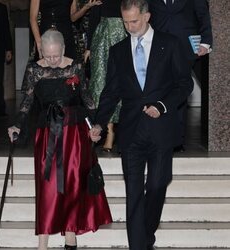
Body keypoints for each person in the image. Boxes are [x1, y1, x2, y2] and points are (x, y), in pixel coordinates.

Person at [89, 0, 193, 249]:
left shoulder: (170, 44)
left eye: (134, 21)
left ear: (147, 16)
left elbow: (184, 84)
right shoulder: (118, 50)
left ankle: (146, 233)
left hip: (161, 128)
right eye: (125, 22)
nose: (129, 26)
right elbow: (111, 93)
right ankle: (138, 245)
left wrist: (162, 105)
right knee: (134, 193)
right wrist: (99, 124)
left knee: (157, 184)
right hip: (131, 130)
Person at [8, 29, 112, 250]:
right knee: (47, 188)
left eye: (56, 55)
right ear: (41, 51)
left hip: (74, 135)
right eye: (47, 55)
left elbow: (87, 98)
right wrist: (17, 124)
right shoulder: (35, 70)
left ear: (63, 49)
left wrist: (95, 125)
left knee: (73, 186)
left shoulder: (75, 67)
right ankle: (42, 244)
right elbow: (26, 102)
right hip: (47, 135)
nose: (52, 61)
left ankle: (70, 239)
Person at [148, 0, 213, 152]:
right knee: (161, 90)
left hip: (186, 47)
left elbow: (203, 14)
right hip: (159, 46)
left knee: (180, 91)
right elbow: (145, 14)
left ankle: (177, 140)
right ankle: (161, 137)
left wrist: (206, 41)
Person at [84, 0, 127, 152]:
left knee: (122, 83)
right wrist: (89, 47)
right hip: (101, 36)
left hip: (124, 32)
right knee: (100, 83)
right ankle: (108, 131)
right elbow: (95, 14)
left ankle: (120, 131)